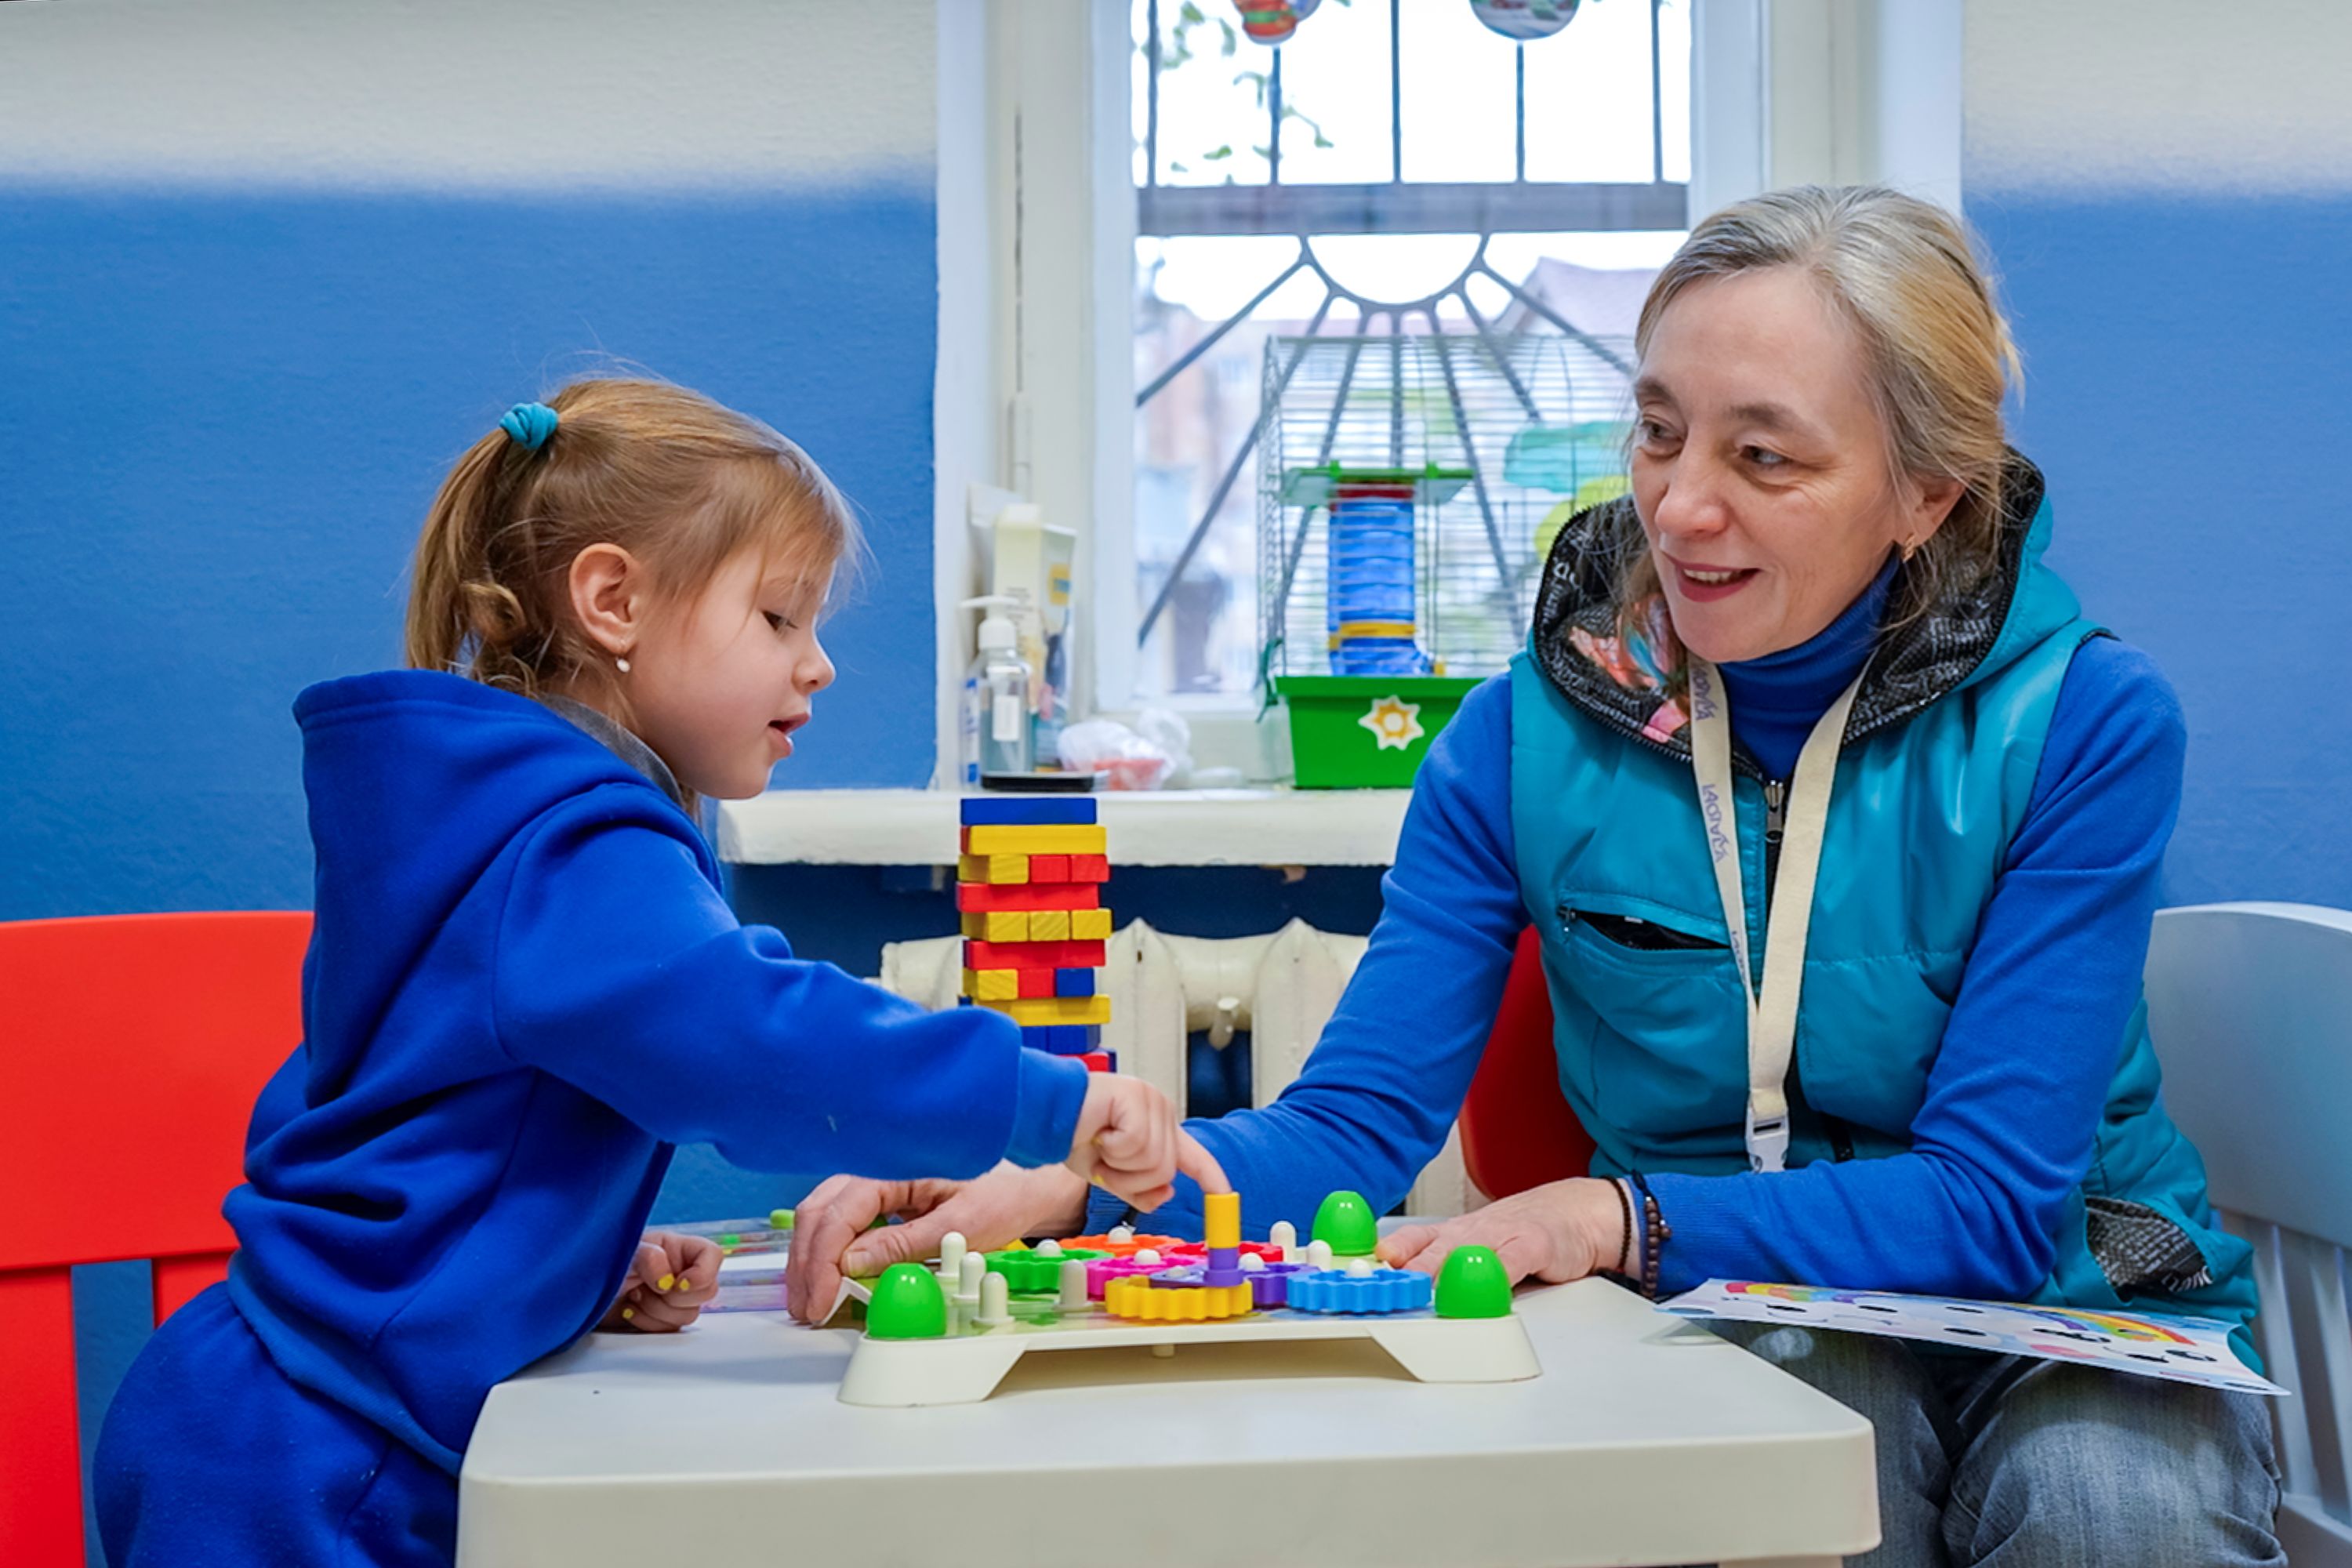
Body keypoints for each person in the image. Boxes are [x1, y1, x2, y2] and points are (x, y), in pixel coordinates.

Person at [786, 191, 2284, 1566]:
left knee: (2109, 1510)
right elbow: (1357, 1128)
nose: (1680, 506)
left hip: (2079, 1312)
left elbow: (1993, 1204)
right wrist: (1069, 1183)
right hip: (1750, 1313)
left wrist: (1603, 1220)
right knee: (1809, 1477)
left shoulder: (2082, 720)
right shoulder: (1515, 736)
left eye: (1763, 456)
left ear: (1929, 496)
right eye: (1657, 432)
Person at [94, 378, 1222, 1568]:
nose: (820, 665)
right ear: (614, 601)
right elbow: (755, 1037)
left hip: (274, 1408)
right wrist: (1052, 1103)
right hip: (313, 1463)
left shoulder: (497, 819)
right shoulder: (573, 846)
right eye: (782, 619)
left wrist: (559, 1262)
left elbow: (426, 1121)